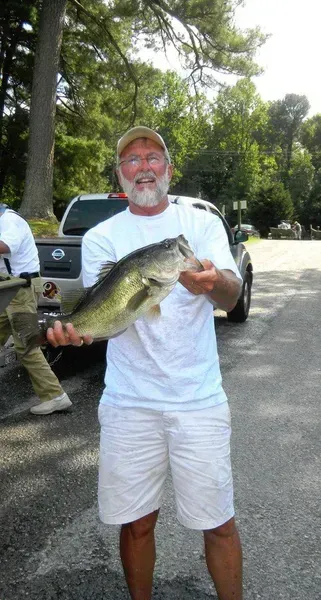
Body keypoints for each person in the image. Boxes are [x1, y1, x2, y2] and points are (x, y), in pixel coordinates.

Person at [47, 126, 243, 599]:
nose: (144, 167)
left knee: (217, 523)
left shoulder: (198, 226)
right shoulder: (101, 237)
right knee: (136, 524)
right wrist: (74, 334)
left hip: (198, 401)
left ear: (169, 169)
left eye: (152, 156)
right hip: (129, 403)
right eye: (132, 160)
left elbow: (233, 297)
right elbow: (108, 317)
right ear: (121, 175)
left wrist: (214, 282)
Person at [0, 203, 72, 415]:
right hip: (8, 289)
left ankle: (56, 397)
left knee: (26, 346)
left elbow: (4, 246)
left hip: (20, 290)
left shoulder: (10, 221)